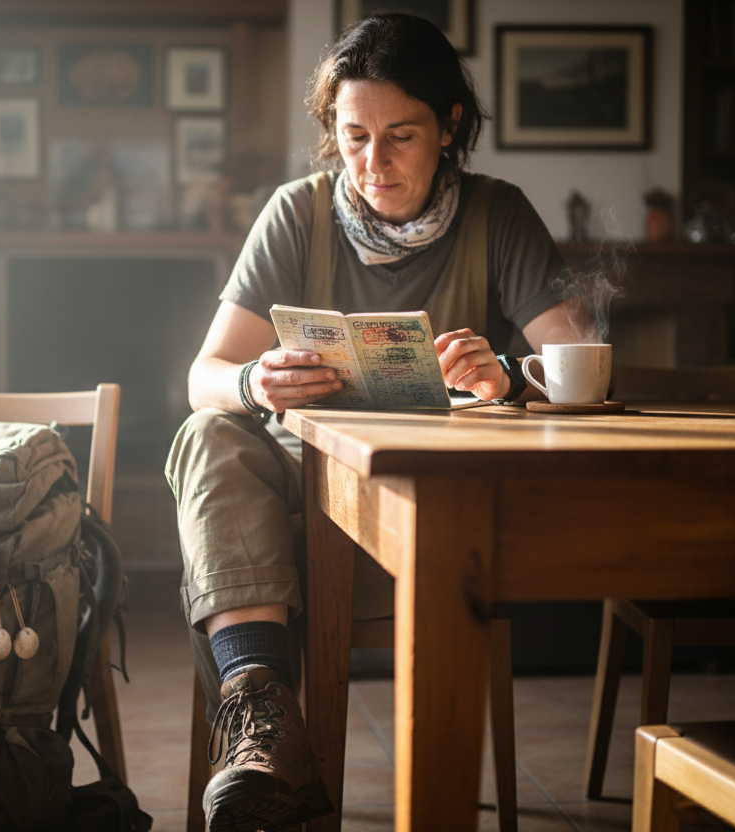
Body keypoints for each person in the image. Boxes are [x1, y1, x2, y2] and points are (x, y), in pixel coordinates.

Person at [165, 13, 595, 832]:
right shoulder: (297, 214)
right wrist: (257, 379)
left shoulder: (498, 214)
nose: (374, 163)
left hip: (432, 515)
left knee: (222, 454)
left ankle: (262, 728)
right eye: (354, 135)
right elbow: (203, 378)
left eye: (401, 135)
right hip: (292, 513)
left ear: (450, 126)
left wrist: (506, 377)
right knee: (209, 431)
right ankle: (264, 724)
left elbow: (578, 365)